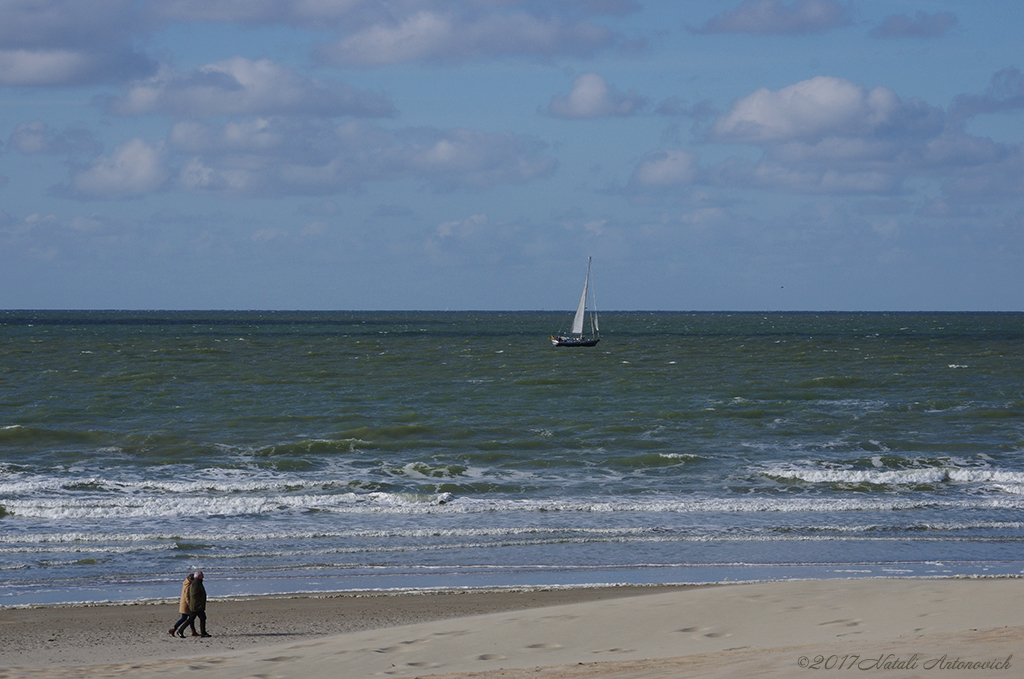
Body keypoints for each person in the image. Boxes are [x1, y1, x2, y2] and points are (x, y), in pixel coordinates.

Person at [169, 572, 198, 637]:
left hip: (184, 604)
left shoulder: (186, 583)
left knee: (190, 618)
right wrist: (189, 604)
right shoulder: (188, 585)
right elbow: (186, 596)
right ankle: (173, 629)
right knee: (185, 618)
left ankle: (193, 631)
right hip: (186, 605)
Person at [185, 570, 211, 637]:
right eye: (202, 575)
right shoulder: (196, 583)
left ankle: (203, 632)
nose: (203, 577)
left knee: (201, 618)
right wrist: (200, 600)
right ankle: (180, 630)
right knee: (193, 619)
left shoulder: (198, 582)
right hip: (196, 605)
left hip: (198, 604)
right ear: (199, 576)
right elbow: (194, 594)